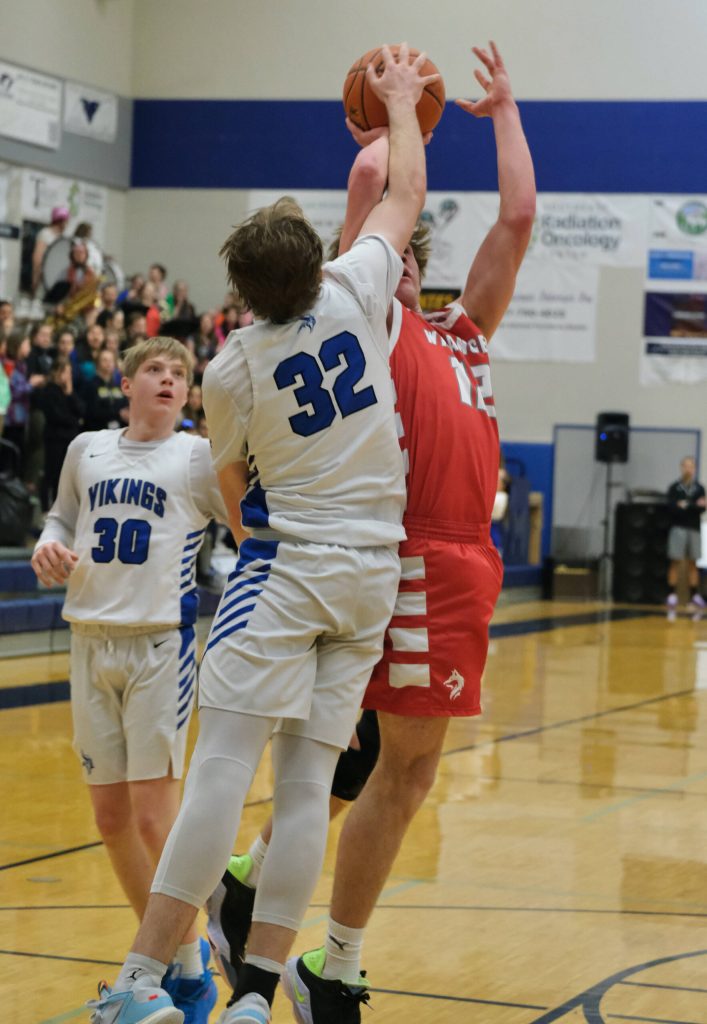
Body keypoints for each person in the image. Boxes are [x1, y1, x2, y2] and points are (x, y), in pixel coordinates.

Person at [89, 43, 434, 1024]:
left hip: (287, 569)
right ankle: (252, 999)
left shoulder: (232, 369)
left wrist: (257, 530)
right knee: (303, 790)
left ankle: (141, 983)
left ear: (241, 294)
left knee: (221, 773)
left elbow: (234, 489)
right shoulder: (360, 289)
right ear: (316, 265)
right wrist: (403, 104)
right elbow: (401, 188)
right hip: (371, 572)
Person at [208, 41, 535, 1023]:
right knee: (388, 764)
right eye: (392, 251)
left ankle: (256, 885)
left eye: (410, 259)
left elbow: (516, 220)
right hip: (402, 555)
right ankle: (328, 965)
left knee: (380, 762)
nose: (399, 263)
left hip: (468, 560)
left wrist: (505, 112)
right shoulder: (361, 319)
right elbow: (372, 192)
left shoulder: (461, 328)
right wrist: (388, 122)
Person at [31, 337, 226, 1023]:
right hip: (88, 639)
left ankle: (191, 956)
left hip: (157, 647)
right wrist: (47, 545)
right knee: (110, 818)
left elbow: (243, 527)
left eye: (180, 373)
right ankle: (179, 962)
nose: (169, 379)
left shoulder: (198, 457)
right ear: (130, 384)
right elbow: (59, 516)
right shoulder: (87, 448)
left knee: (152, 813)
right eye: (156, 370)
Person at [666, 456, 706, 610]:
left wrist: (686, 505)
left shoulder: (699, 488)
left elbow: (701, 507)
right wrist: (691, 506)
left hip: (694, 528)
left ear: (694, 469)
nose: (688, 469)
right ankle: (672, 595)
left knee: (693, 562)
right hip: (678, 528)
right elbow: (671, 507)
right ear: (681, 467)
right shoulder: (674, 488)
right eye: (685, 466)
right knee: (675, 560)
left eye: (691, 466)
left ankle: (694, 596)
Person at [32, 206, 70, 296]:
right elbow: (37, 257)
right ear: (60, 220)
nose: (67, 224)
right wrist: (35, 278)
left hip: (58, 279)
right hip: (44, 277)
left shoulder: (63, 236)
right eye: (66, 221)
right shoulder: (45, 233)